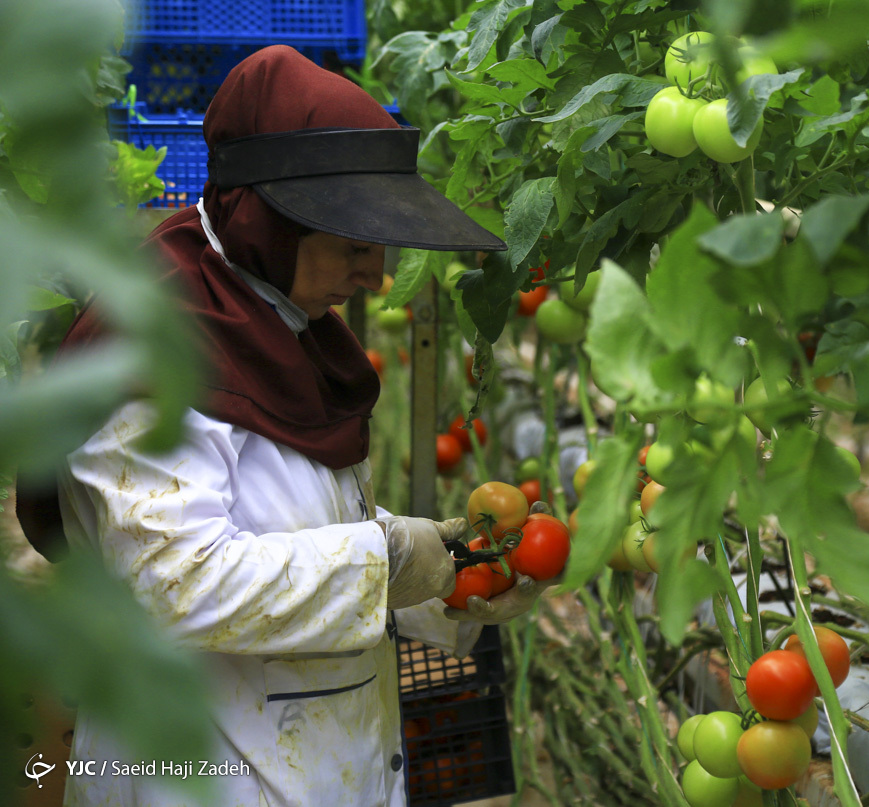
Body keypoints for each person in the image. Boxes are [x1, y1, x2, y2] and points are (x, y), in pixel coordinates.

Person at [26, 45, 546, 806]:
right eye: (353, 245)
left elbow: (287, 522)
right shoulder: (152, 345)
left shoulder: (283, 327)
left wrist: (447, 577)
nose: (374, 276)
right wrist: (391, 559)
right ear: (267, 218)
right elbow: (176, 580)